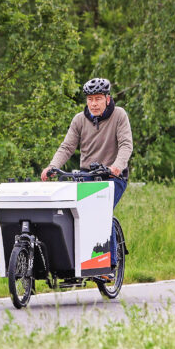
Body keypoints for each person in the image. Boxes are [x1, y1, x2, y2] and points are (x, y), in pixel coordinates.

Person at [42, 77, 133, 263]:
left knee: (101, 211)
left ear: (107, 99)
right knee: (69, 214)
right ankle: (76, 260)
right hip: (87, 176)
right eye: (90, 99)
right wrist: (53, 166)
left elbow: (126, 145)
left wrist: (117, 166)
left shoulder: (119, 115)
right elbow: (67, 147)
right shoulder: (79, 120)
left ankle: (109, 264)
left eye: (98, 98)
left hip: (112, 177)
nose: (94, 103)